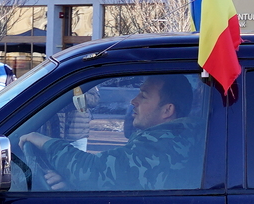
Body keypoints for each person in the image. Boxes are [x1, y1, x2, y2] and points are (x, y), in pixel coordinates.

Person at [16, 75, 196, 191]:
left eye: (144, 95)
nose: (134, 101)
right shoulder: (173, 138)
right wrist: (73, 185)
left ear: (167, 110)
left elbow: (93, 169)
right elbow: (111, 179)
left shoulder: (162, 146)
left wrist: (42, 141)